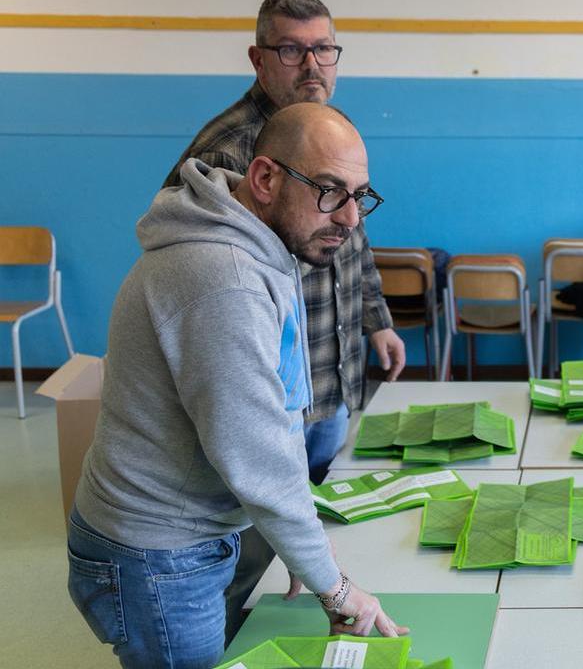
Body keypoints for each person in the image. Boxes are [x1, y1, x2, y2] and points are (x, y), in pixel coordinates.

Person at [68, 104, 406, 669]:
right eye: (329, 190)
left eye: (358, 194)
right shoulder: (226, 280)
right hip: (157, 553)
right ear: (265, 178)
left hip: (180, 534)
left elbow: (277, 411)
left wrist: (301, 547)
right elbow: (255, 453)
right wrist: (336, 587)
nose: (350, 218)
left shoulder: (259, 244)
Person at [164, 0, 404, 482]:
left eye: (324, 49)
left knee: (320, 516)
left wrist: (377, 320)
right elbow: (195, 291)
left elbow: (354, 234)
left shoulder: (334, 131)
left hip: (333, 378)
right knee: (268, 545)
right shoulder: (225, 155)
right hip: (272, 401)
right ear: (259, 59)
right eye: (292, 50)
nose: (312, 65)